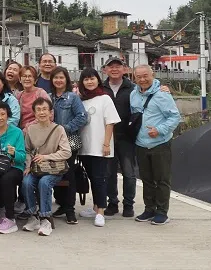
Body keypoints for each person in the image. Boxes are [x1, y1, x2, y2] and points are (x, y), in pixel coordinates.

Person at [131, 65, 180, 226]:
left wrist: (159, 130)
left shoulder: (162, 95)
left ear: (153, 75)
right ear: (134, 78)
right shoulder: (134, 94)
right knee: (146, 179)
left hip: (160, 143)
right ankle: (149, 208)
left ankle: (162, 212)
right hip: (141, 143)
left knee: (162, 179)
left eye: (146, 76)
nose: (142, 79)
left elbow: (174, 117)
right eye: (139, 77)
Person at [75, 68, 120, 228]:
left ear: (97, 80)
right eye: (86, 79)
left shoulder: (105, 98)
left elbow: (111, 122)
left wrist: (107, 143)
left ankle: (101, 211)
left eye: (92, 78)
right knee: (93, 178)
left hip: (101, 147)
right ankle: (95, 207)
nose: (89, 82)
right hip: (85, 147)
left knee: (100, 179)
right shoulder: (81, 100)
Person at [21, 98, 71, 236]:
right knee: (26, 182)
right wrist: (28, 165)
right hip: (36, 168)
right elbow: (27, 150)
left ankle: (45, 219)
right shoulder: (31, 129)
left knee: (44, 182)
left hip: (53, 169)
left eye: (45, 109)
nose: (42, 112)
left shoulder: (58, 129)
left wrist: (47, 156)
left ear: (51, 112)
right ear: (34, 113)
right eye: (38, 110)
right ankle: (33, 217)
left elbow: (67, 152)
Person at [50, 67, 88, 225]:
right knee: (54, 173)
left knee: (69, 174)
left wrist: (65, 128)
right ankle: (62, 204)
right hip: (52, 143)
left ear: (66, 80)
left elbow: (82, 117)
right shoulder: (48, 97)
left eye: (61, 77)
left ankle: (70, 209)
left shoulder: (72, 97)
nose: (58, 80)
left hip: (70, 141)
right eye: (55, 77)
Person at [103, 56, 138, 217]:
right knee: (109, 173)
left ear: (125, 69)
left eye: (118, 66)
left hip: (127, 137)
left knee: (129, 173)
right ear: (105, 70)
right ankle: (112, 202)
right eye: (111, 66)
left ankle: (129, 204)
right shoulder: (101, 89)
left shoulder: (133, 89)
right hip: (107, 137)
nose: (114, 69)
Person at [0, 101, 26, 234]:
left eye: (3, 114)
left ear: (8, 116)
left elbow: (22, 157)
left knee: (7, 180)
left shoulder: (17, 132)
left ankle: (10, 219)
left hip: (14, 166)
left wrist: (14, 153)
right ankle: (2, 206)